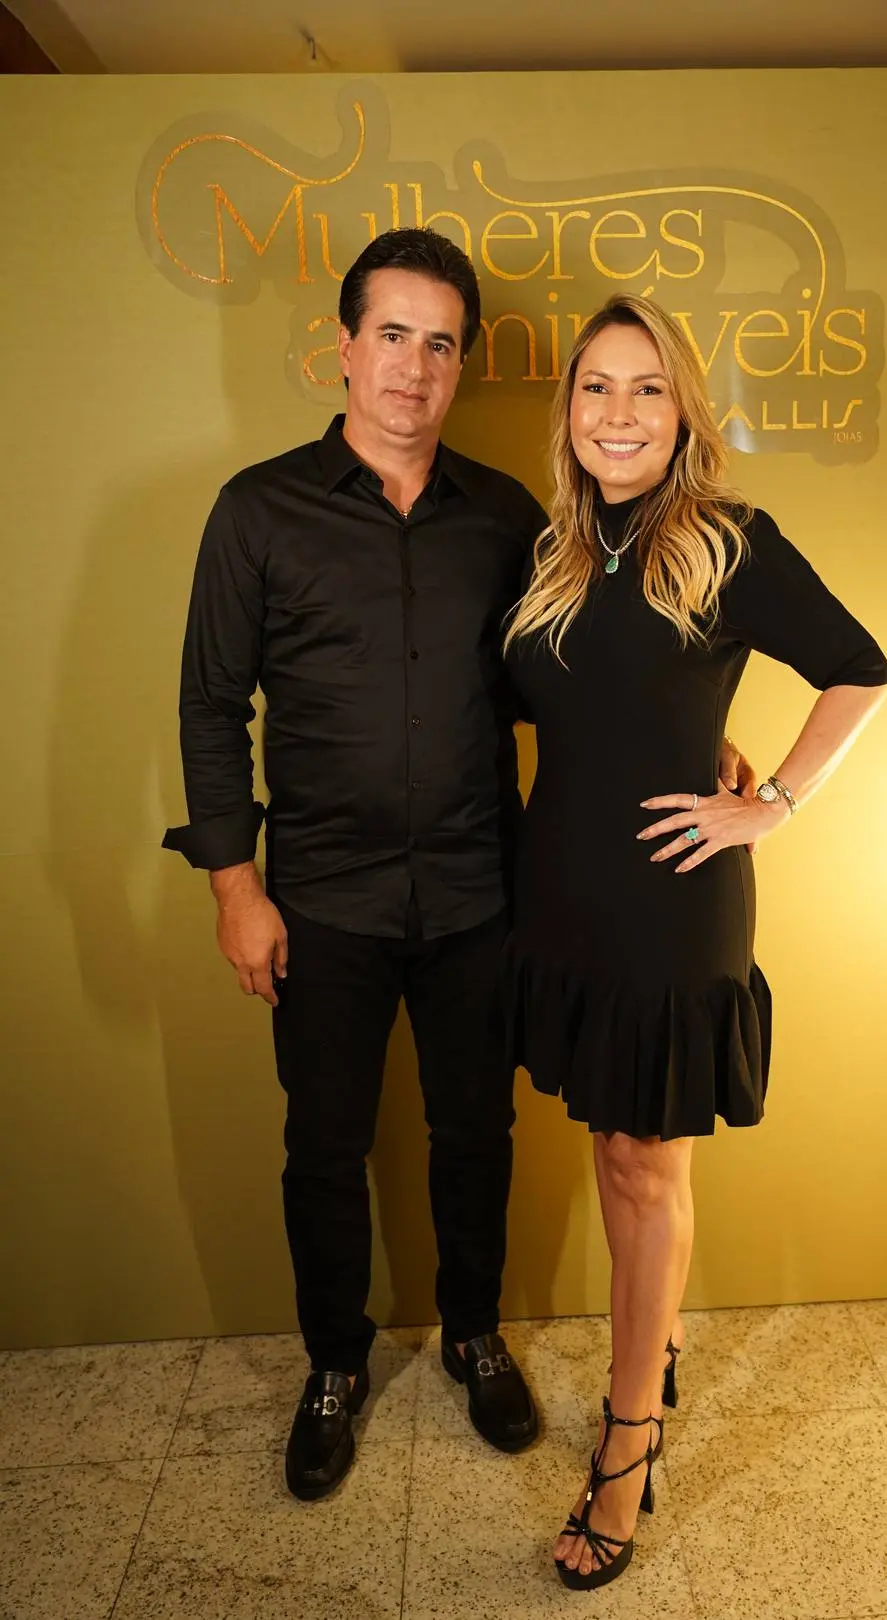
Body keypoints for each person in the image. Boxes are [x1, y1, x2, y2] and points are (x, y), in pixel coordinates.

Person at [503, 293, 887, 1590]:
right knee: (610, 1147)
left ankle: (628, 1444)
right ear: (569, 409)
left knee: (641, 1161)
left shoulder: (728, 540)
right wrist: (690, 725)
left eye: (647, 389)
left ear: (682, 412)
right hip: (563, 891)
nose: (618, 414)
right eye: (596, 388)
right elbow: (588, 698)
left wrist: (769, 799)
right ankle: (653, 1347)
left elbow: (860, 670)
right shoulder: (556, 550)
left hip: (672, 902)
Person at [161, 228, 556, 1499]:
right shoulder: (257, 510)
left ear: (461, 363)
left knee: (476, 1131)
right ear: (342, 347)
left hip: (478, 893)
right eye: (392, 335)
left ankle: (475, 1335)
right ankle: (334, 1363)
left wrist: (693, 730)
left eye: (440, 343)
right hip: (320, 901)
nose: (414, 367)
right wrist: (236, 888)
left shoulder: (506, 516)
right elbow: (210, 707)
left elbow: (573, 677)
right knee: (323, 1147)